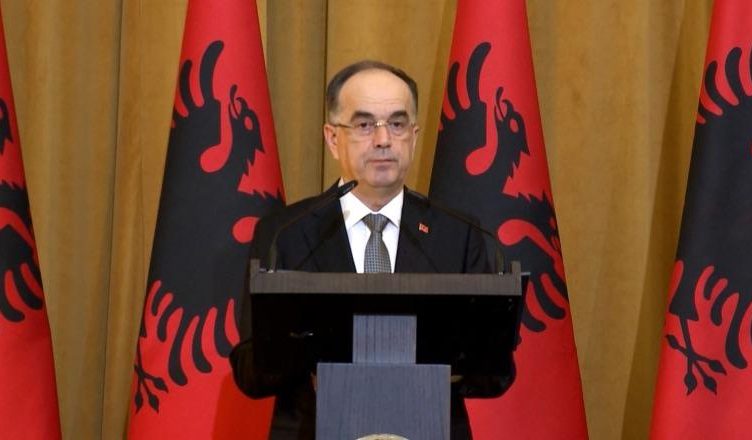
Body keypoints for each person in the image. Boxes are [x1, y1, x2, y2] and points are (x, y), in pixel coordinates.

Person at [230, 60, 501, 439]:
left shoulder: (459, 234)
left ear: (414, 136)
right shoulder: (285, 234)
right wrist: (315, 353)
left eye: (397, 123)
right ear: (332, 138)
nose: (383, 139)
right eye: (364, 125)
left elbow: (495, 373)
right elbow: (249, 372)